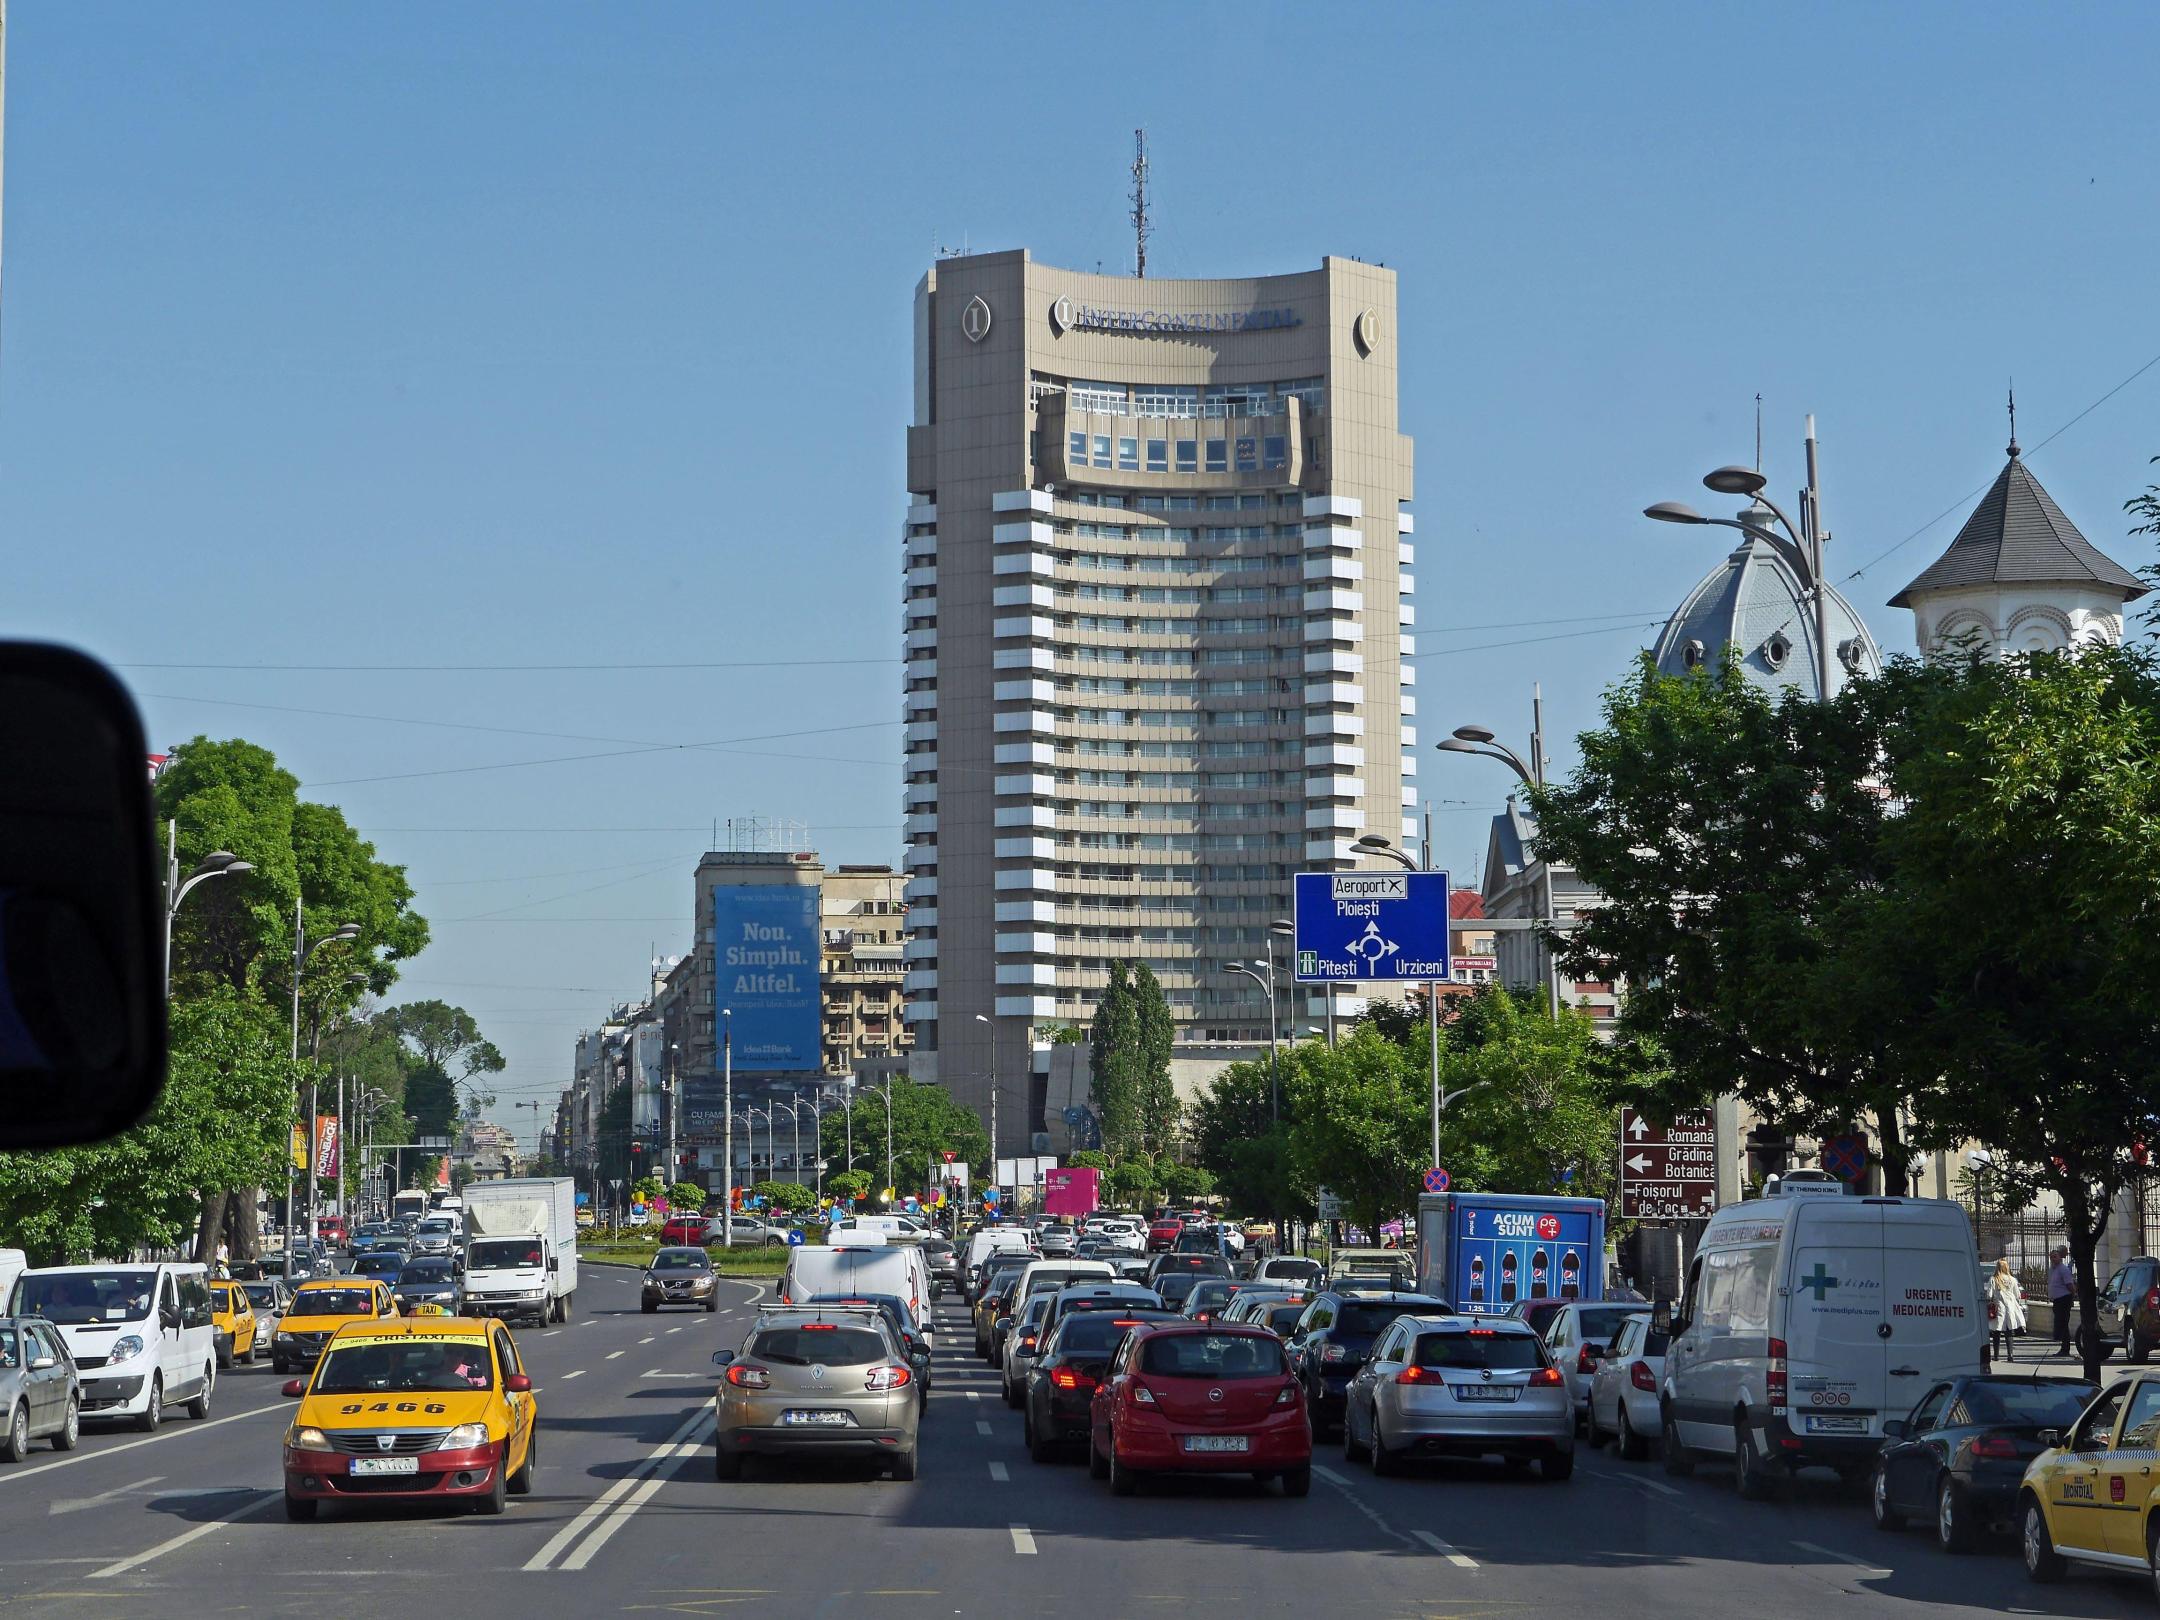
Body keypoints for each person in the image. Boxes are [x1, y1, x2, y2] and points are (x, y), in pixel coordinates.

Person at [1984, 1258, 2027, 1362]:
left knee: (1997, 1331)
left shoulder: (1994, 1279)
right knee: (2009, 1331)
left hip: (1999, 1307)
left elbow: (1989, 1295)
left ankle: (1996, 1355)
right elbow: (2017, 1295)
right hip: (2010, 1308)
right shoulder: (2012, 1279)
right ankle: (2010, 1355)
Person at [2047, 1246, 2077, 1356]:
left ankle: (2065, 1349)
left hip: (2064, 1299)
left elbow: (2070, 1285)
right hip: (2057, 1300)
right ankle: (2063, 1347)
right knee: (2060, 1323)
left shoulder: (2063, 1269)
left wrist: (2073, 1295)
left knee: (2063, 1323)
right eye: (2051, 1257)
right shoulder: (2053, 1269)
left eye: (2055, 1257)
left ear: (2060, 1257)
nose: (2053, 1259)